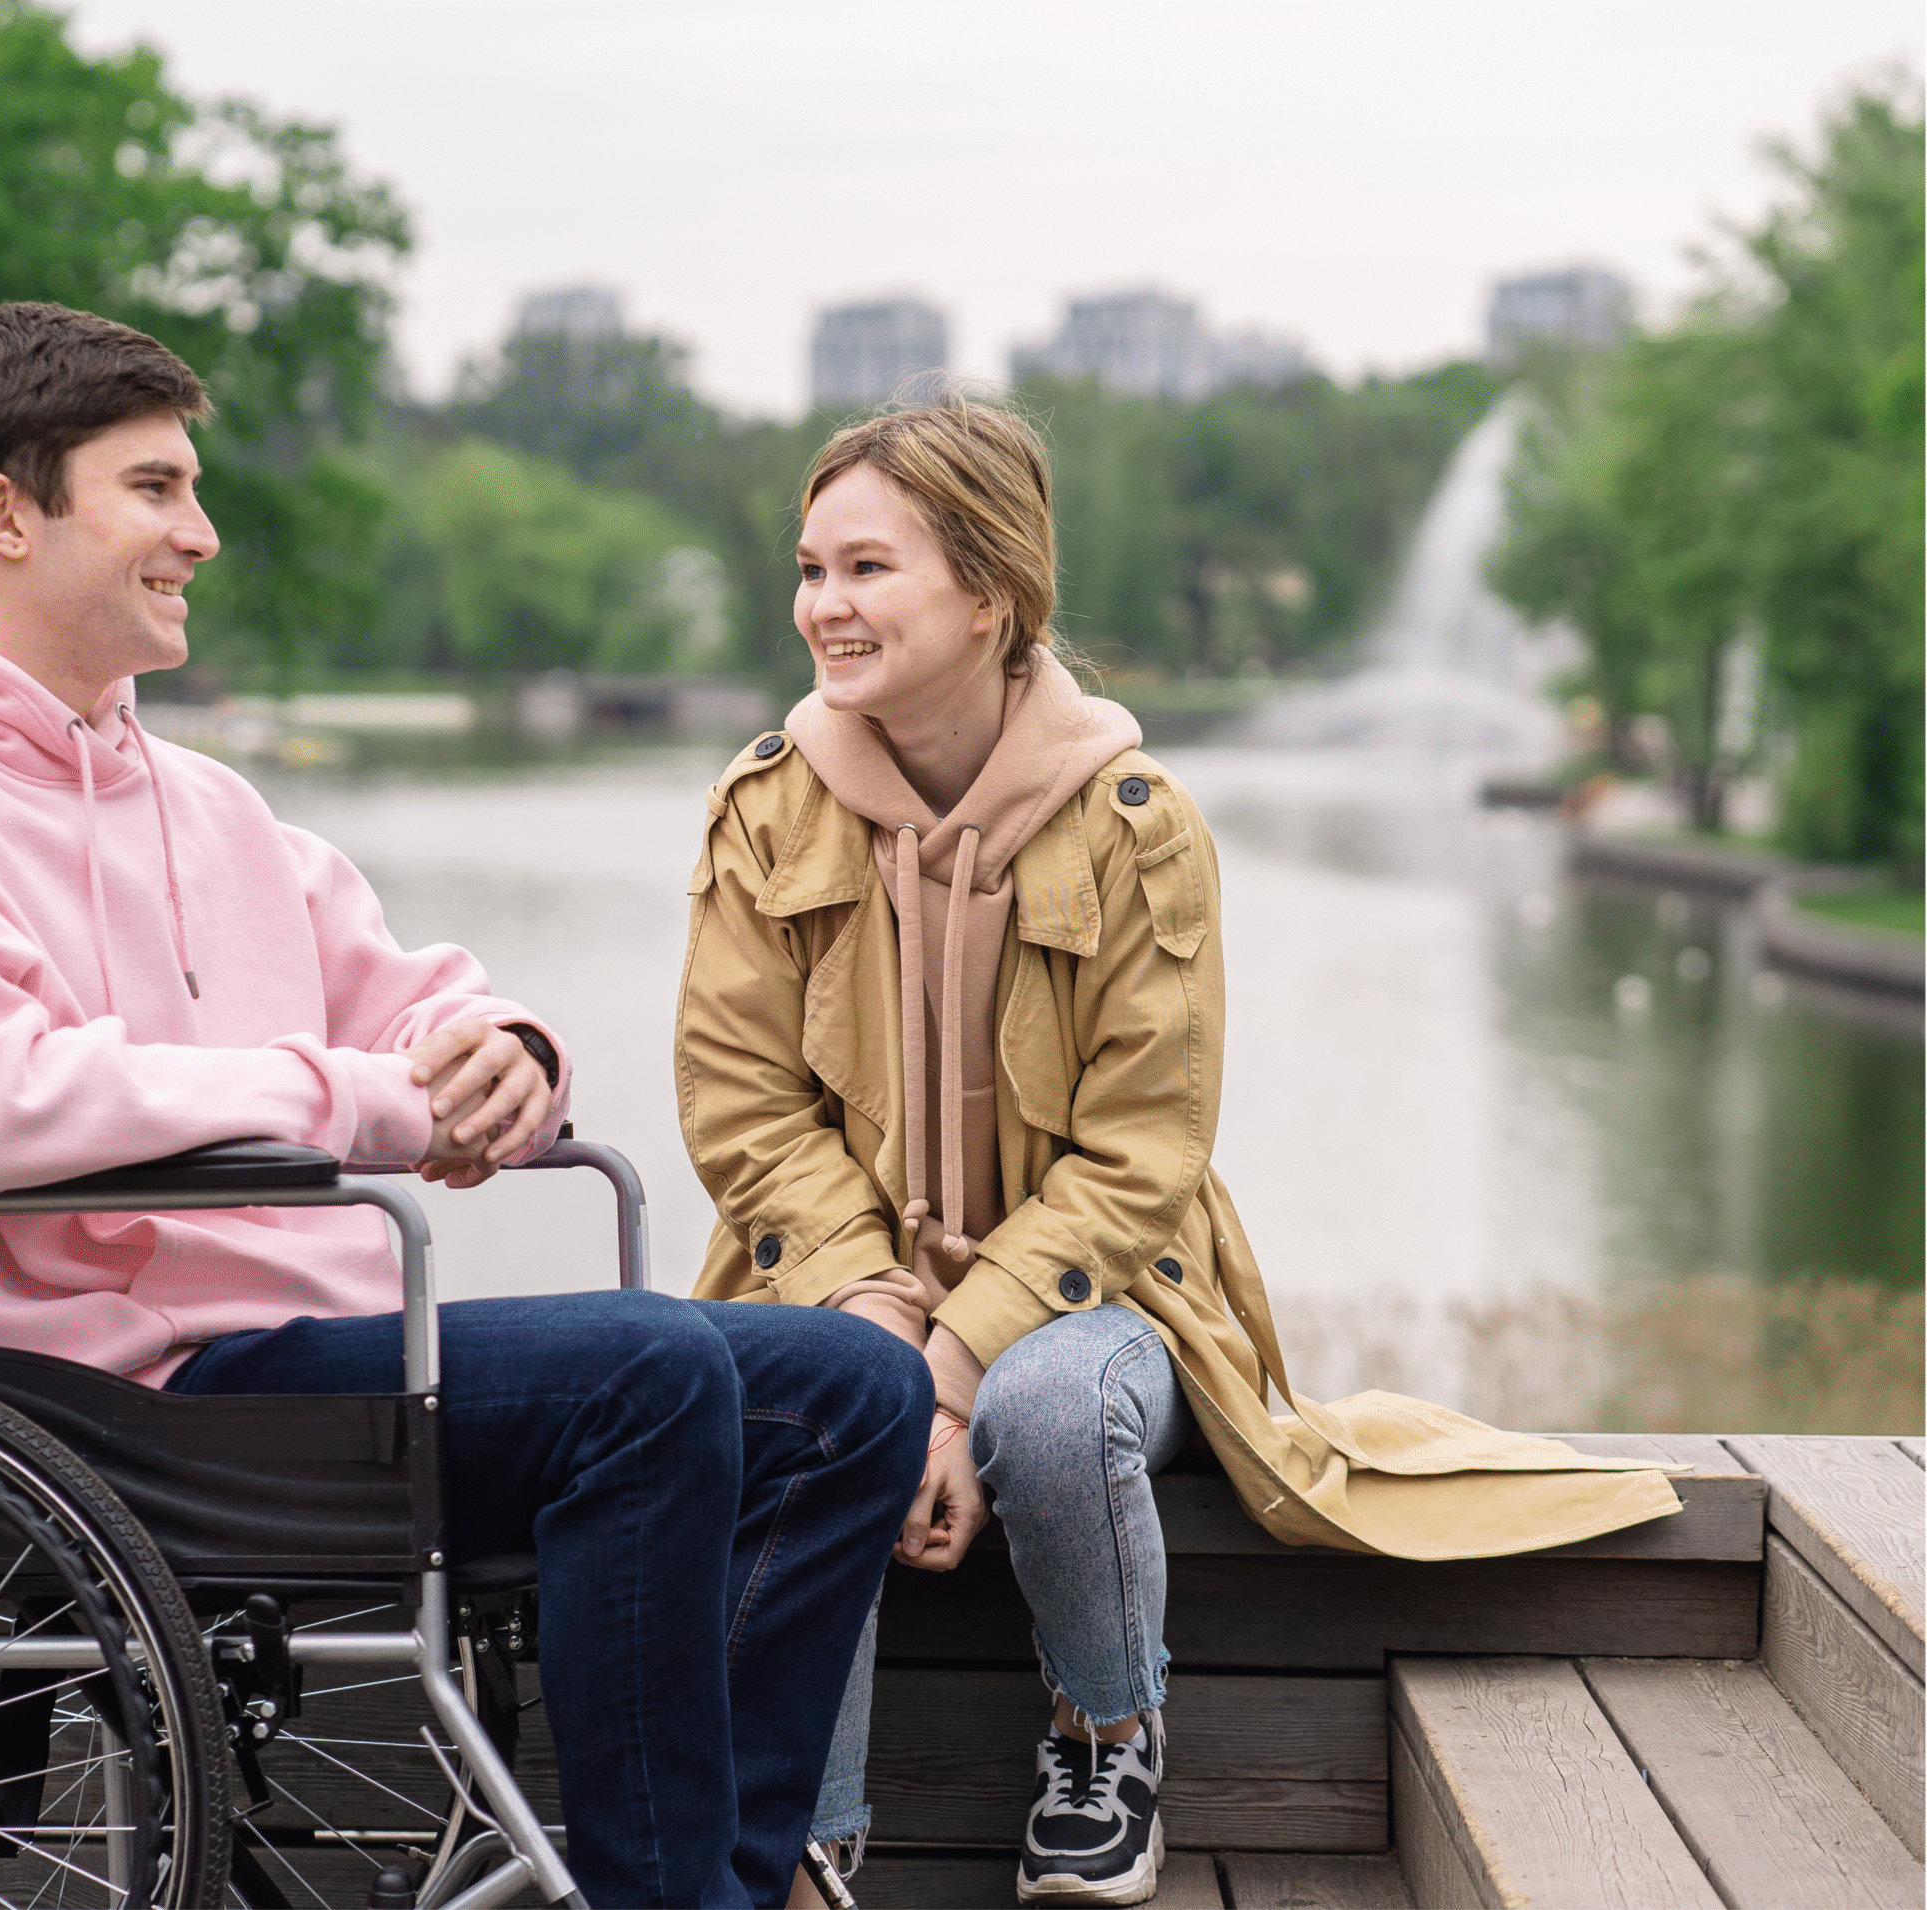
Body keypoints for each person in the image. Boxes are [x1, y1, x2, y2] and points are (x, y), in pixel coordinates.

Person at [0, 300, 933, 1909]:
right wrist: (366, 1103)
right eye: (156, 488)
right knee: (646, 1370)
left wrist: (499, 1045)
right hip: (95, 1400)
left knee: (851, 1382)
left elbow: (397, 989)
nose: (202, 532)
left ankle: (727, 1868)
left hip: (307, 1365)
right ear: (5, 514)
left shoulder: (202, 800)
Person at [674, 397, 1682, 1905]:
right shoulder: (766, 810)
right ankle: (803, 1830)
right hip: (836, 1287)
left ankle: (1109, 1726)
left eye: (867, 568)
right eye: (810, 568)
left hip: (1103, 1294)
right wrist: (890, 1339)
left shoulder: (1137, 824)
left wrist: (949, 1371)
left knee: (1058, 1407)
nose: (823, 604)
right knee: (804, 1410)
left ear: (987, 592)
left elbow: (1141, 1152)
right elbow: (745, 1109)